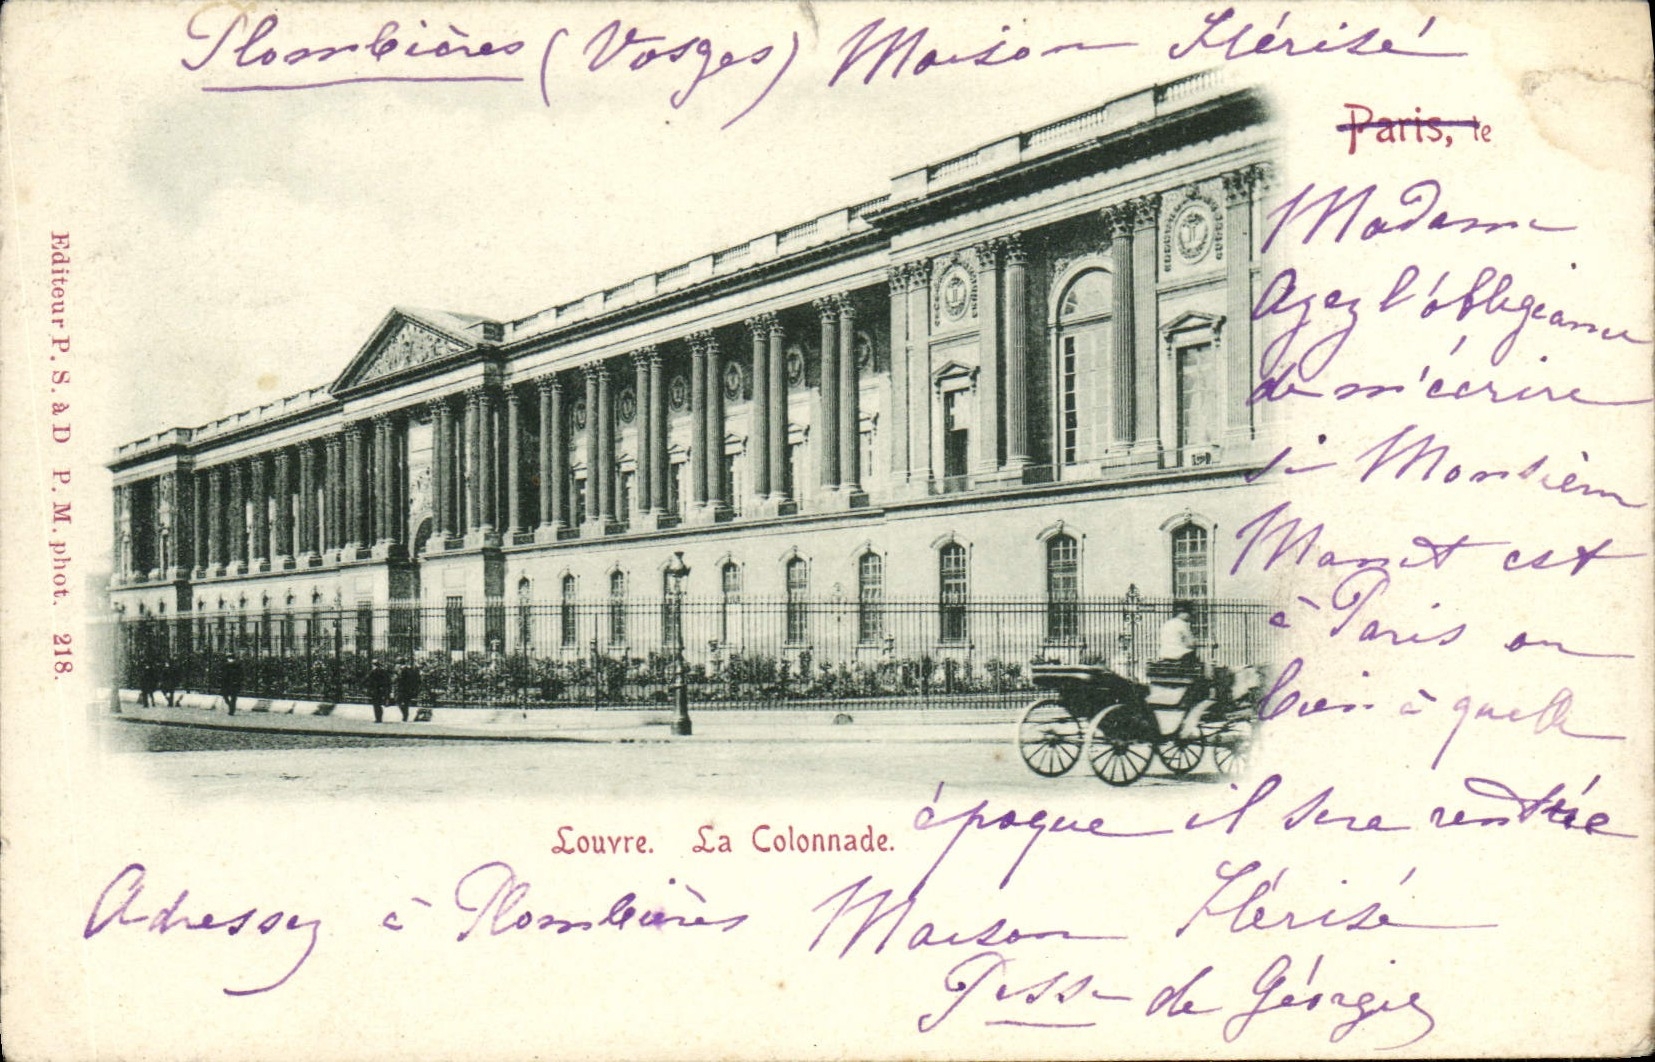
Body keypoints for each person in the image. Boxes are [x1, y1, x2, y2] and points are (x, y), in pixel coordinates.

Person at [1158, 600, 1199, 668]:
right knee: (1193, 655)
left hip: (1165, 654)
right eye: (1190, 614)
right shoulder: (1182, 624)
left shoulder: (1167, 623)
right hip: (1180, 656)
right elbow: (1191, 643)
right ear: (1185, 613)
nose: (1190, 617)